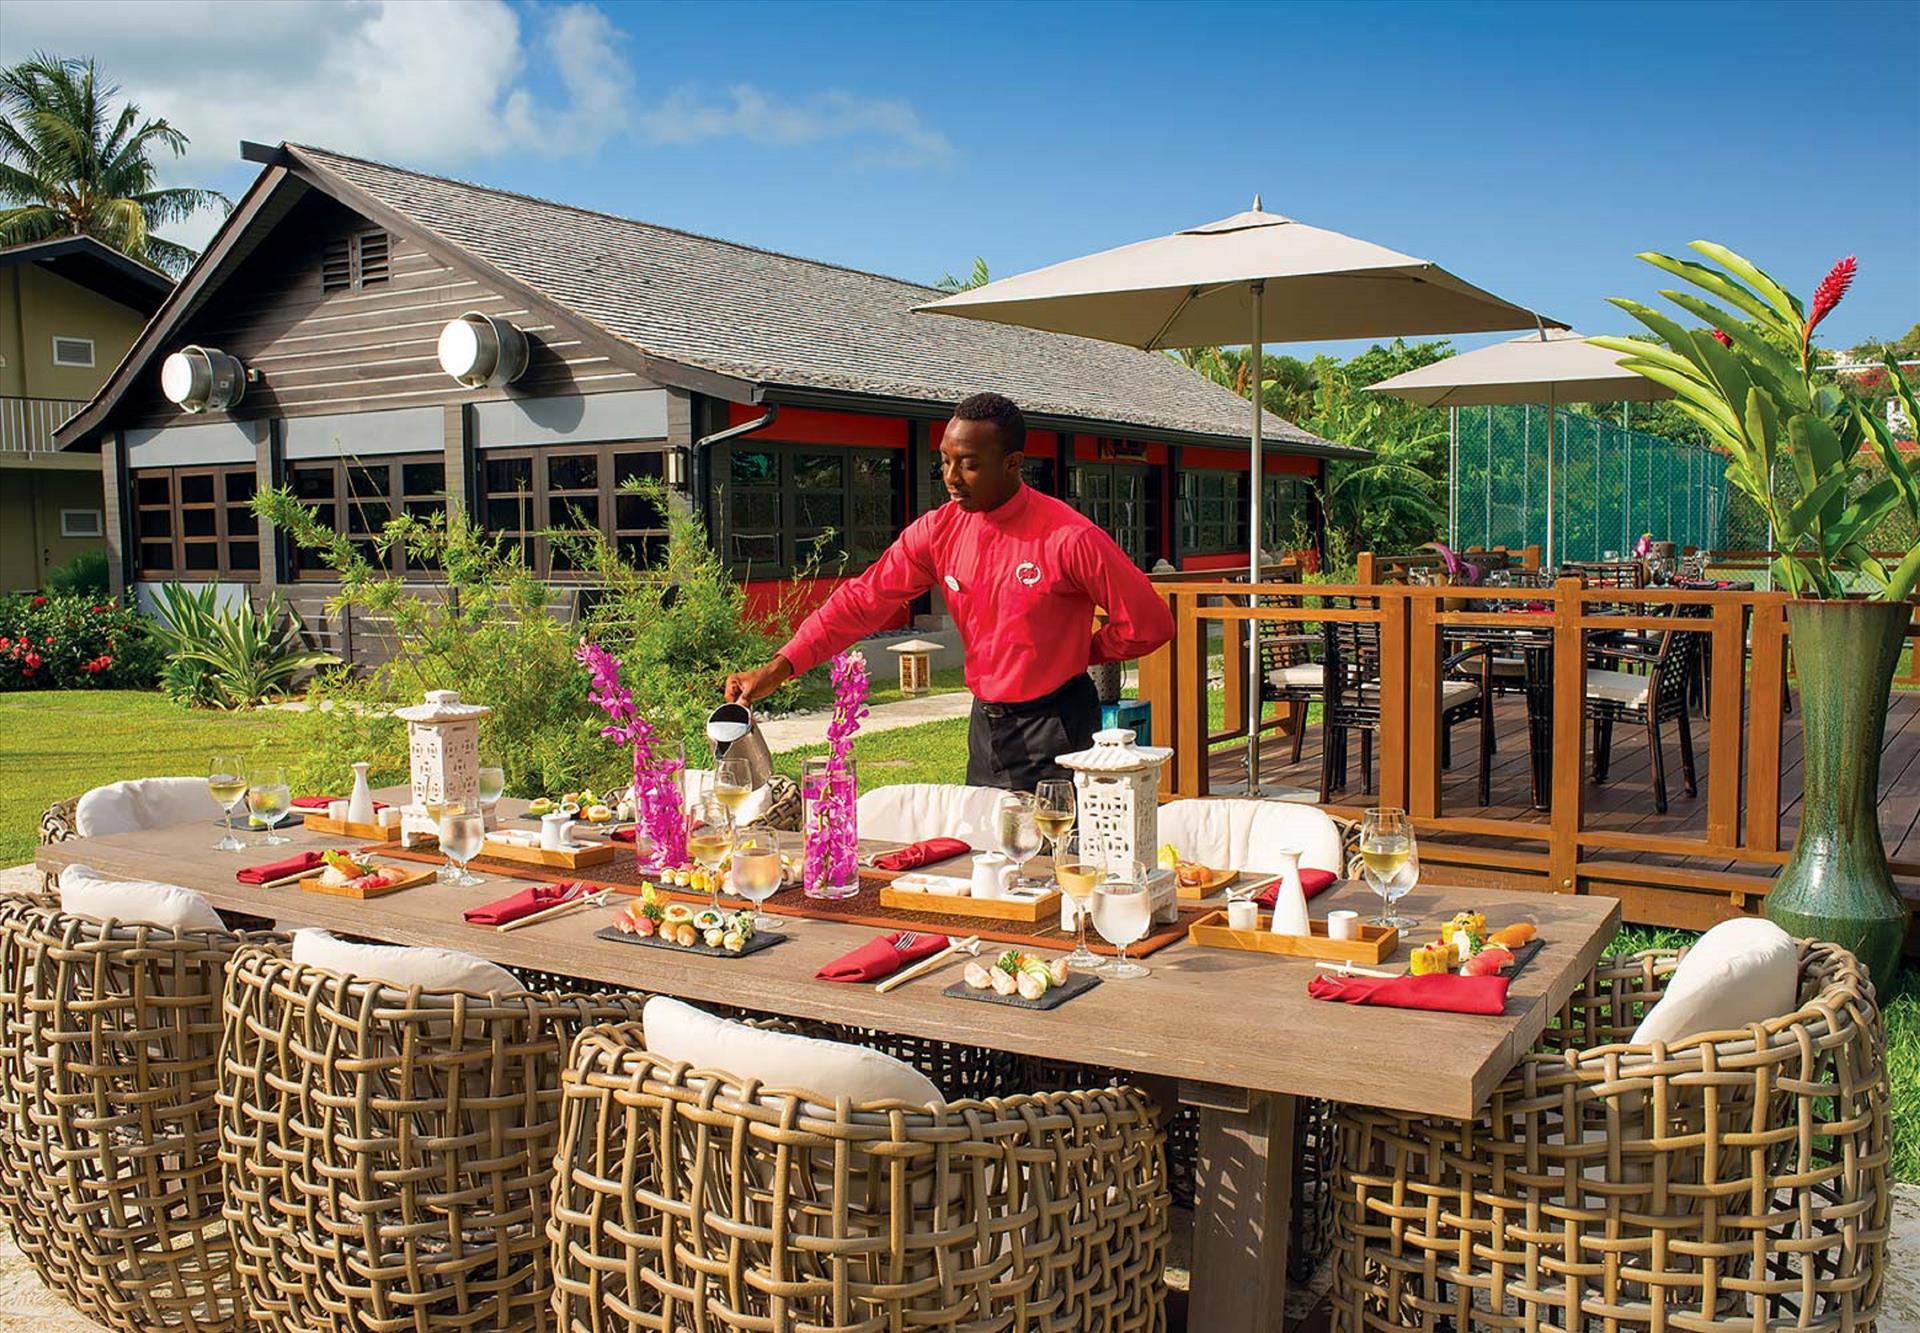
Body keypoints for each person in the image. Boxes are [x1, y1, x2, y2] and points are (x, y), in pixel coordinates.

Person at [724, 392, 1175, 791]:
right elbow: (863, 600)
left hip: (1057, 723)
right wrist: (780, 666)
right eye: (945, 461)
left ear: (1012, 464)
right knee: (984, 850)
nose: (951, 477)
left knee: (1055, 849)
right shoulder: (938, 532)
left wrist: (1084, 650)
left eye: (970, 464)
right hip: (986, 726)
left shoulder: (1070, 537)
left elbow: (1150, 624)